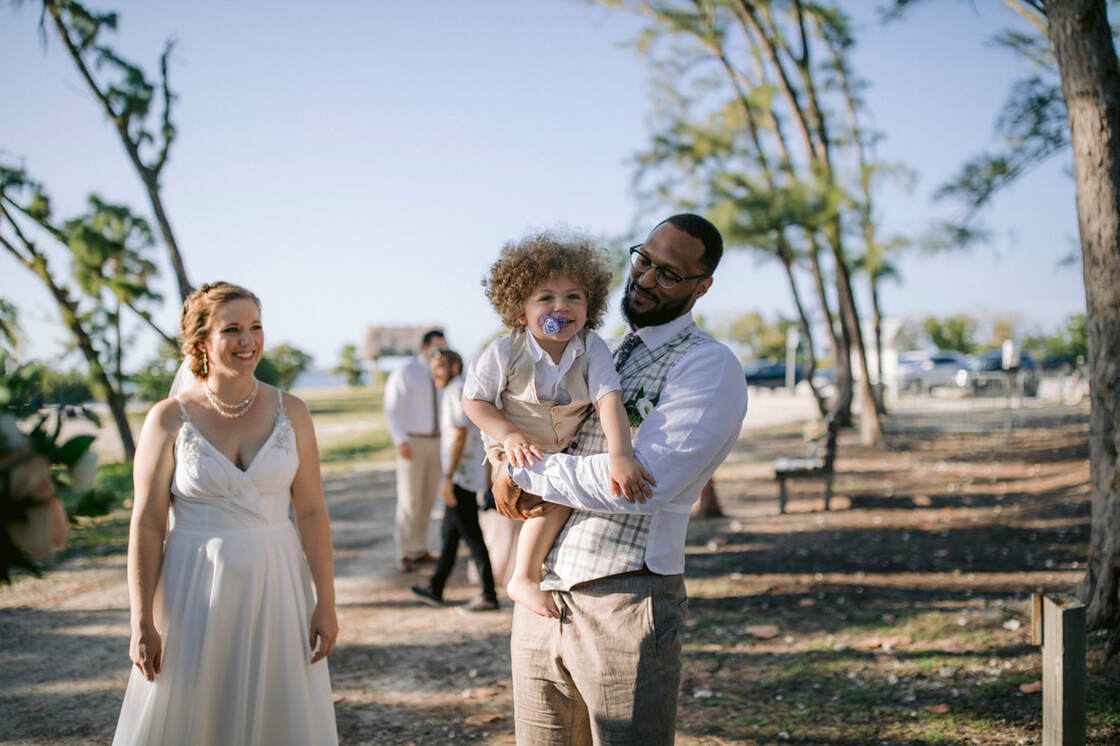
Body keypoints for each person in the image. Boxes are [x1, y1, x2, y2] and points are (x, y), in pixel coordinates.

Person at [496, 214, 748, 745]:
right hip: (543, 593)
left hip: (625, 601)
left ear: (702, 286)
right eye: (644, 259)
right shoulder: (599, 348)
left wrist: (529, 471)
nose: (646, 278)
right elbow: (530, 418)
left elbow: (642, 485)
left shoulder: (708, 366)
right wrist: (500, 458)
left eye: (670, 273)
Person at [113, 282, 338, 746]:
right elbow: (148, 523)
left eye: (255, 327)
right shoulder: (168, 418)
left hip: (277, 585)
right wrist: (141, 622)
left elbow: (312, 512)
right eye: (232, 329)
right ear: (201, 341)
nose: (248, 340)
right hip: (195, 588)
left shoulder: (291, 412)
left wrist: (326, 603)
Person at [461, 232, 653, 619]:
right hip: (512, 444)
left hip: (560, 447)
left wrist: (621, 455)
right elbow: (474, 401)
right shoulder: (505, 351)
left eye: (573, 297)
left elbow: (608, 398)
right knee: (538, 495)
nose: (560, 306)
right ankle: (523, 577)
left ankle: (526, 574)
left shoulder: (592, 346)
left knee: (560, 499)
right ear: (520, 311)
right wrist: (508, 437)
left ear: (591, 305)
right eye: (545, 297)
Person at [409, 349, 500, 611]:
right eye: (432, 367)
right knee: (449, 534)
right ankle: (435, 588)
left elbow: (459, 435)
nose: (434, 372)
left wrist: (448, 477)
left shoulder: (453, 391)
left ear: (455, 366)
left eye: (440, 367)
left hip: (460, 477)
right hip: (467, 475)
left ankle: (488, 595)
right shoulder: (466, 388)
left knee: (472, 537)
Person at [384, 328, 446, 572]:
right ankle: (404, 553)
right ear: (424, 346)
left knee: (429, 497)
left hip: (437, 442)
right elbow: (392, 407)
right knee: (410, 499)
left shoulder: (442, 371)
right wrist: (400, 440)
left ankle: (419, 549)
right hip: (412, 441)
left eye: (443, 345)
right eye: (436, 345)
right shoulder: (406, 371)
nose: (440, 350)